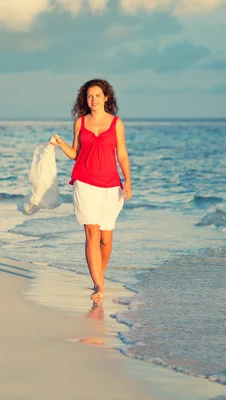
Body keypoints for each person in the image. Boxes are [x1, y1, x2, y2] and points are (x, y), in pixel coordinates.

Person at [51, 79, 132, 301]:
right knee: (91, 235)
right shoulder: (80, 123)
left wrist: (128, 181)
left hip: (110, 185)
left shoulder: (116, 123)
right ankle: (99, 286)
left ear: (106, 97)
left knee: (106, 239)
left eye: (97, 95)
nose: (93, 100)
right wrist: (60, 144)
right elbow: (76, 153)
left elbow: (122, 154)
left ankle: (99, 276)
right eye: (89, 96)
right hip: (84, 182)